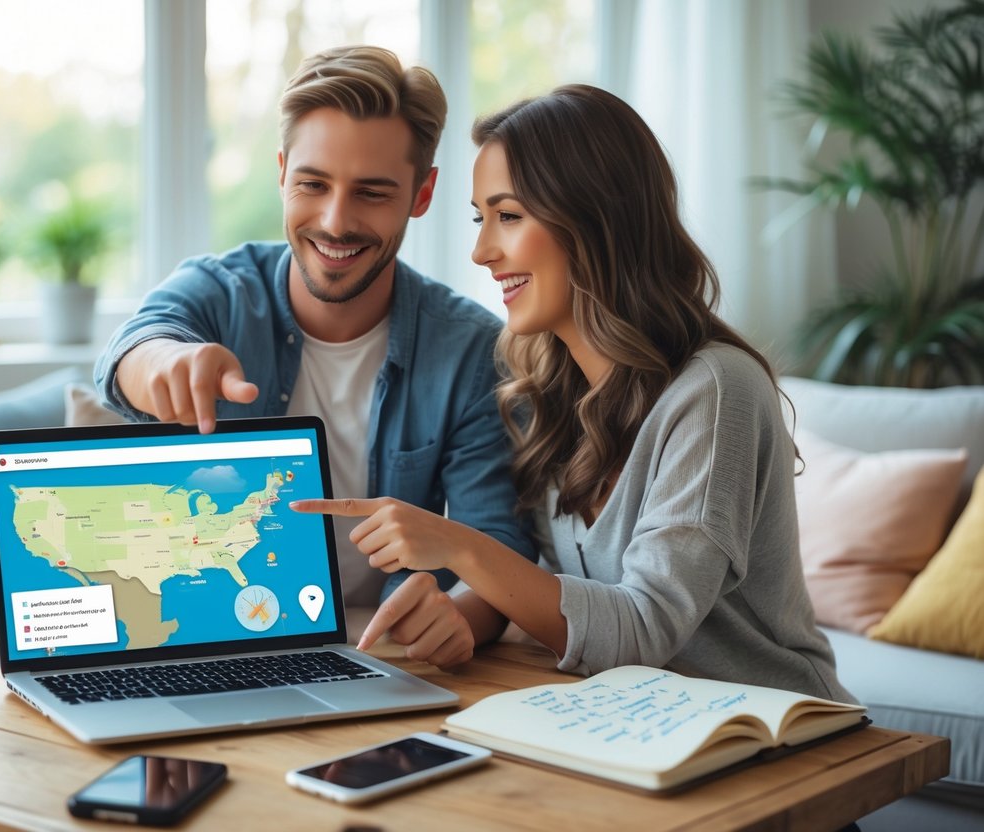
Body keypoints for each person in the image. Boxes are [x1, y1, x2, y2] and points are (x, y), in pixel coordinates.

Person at [294, 84, 854, 701]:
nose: (482, 251)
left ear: (593, 218)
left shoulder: (715, 391)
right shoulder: (542, 397)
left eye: (508, 217)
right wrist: (460, 609)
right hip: (633, 721)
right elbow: (545, 591)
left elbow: (644, 628)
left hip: (774, 728)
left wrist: (457, 545)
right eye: (481, 219)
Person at [94, 46, 535, 667]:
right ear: (281, 173)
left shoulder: (471, 350)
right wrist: (162, 364)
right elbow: (136, 345)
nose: (335, 221)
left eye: (372, 193)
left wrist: (462, 617)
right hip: (206, 639)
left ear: (422, 192)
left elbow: (496, 541)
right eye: (313, 184)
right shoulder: (221, 292)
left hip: (377, 654)